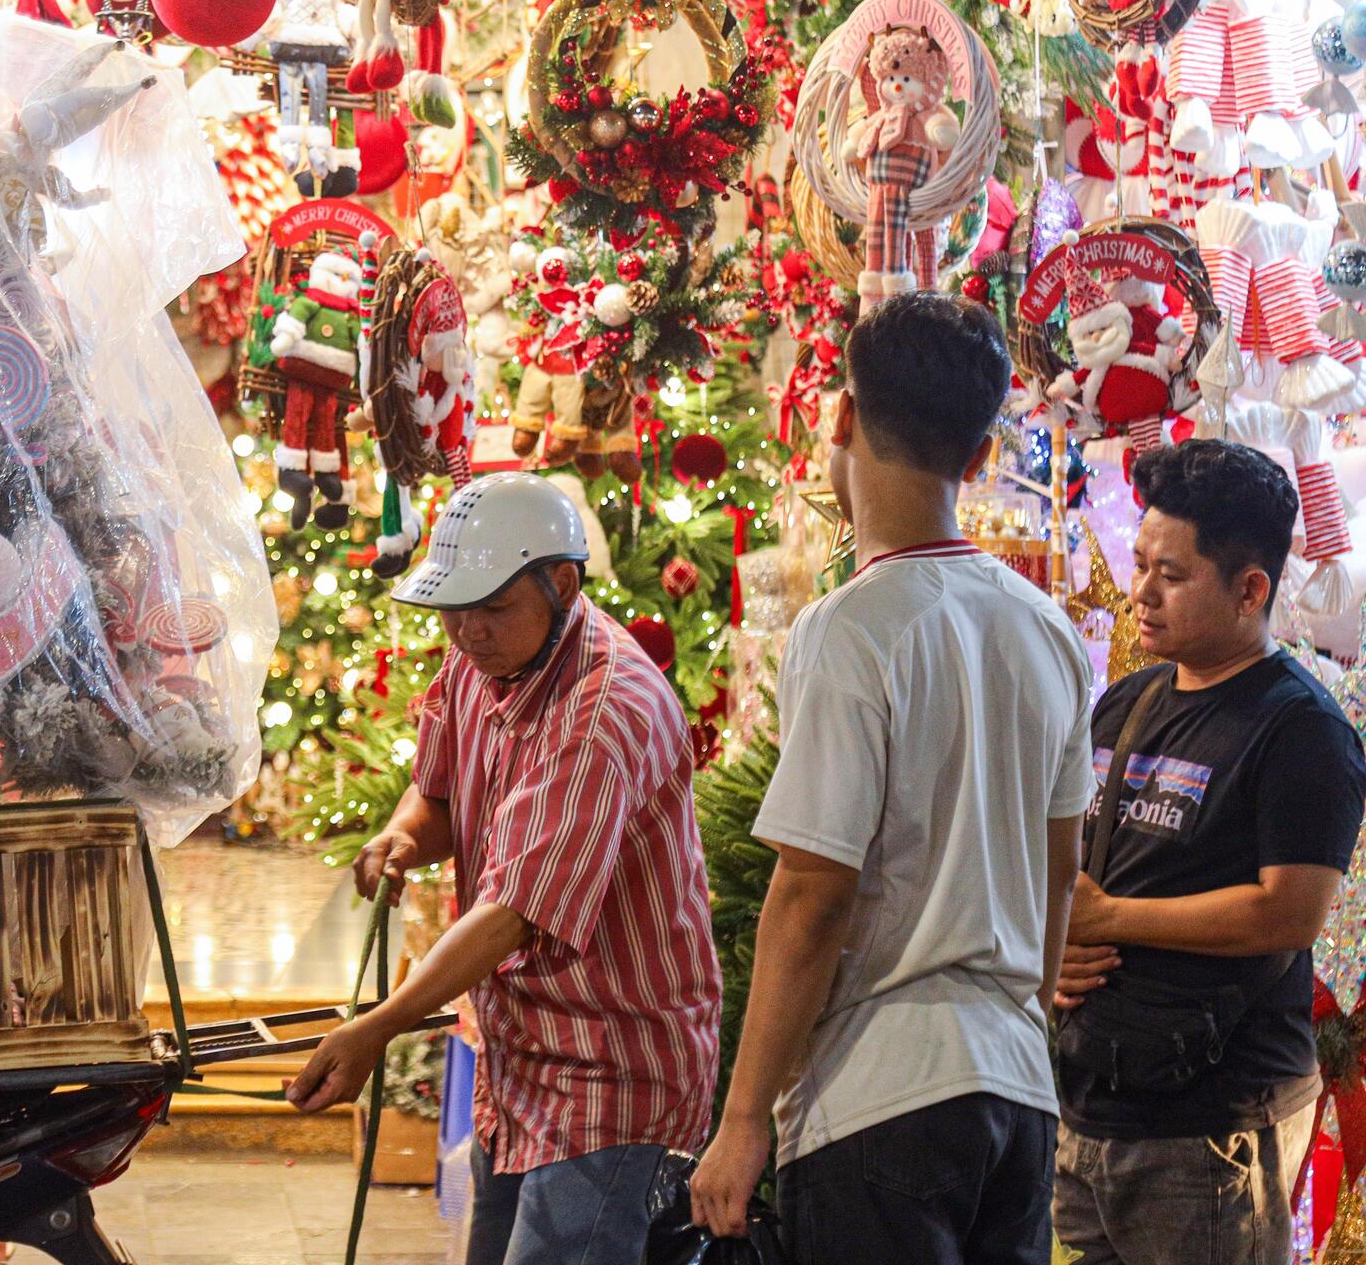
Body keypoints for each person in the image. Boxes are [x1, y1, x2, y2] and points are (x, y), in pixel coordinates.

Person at [691, 292, 1094, 1264]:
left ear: (839, 418)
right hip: (1015, 1092)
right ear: (982, 456)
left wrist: (743, 1119)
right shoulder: (1046, 627)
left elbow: (812, 893)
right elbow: (1059, 871)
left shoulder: (851, 627)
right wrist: (1014, 1026)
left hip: (882, 1099)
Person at [285, 471, 721, 1265]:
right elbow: (439, 790)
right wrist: (403, 837)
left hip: (611, 1069)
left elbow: (512, 913)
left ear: (562, 584)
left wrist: (378, 1027)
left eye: (492, 607)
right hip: (524, 1058)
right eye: (454, 608)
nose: (468, 631)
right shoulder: (481, 658)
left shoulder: (601, 713)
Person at [1052, 439, 1366, 1265]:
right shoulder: (1129, 701)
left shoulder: (1301, 729)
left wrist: (1109, 917)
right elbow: (1076, 864)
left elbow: (1289, 912)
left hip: (1215, 1124)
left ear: (1250, 589)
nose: (1141, 593)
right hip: (1090, 1103)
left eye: (1172, 575)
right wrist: (1057, 948)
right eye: (1140, 563)